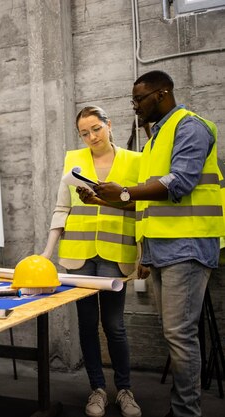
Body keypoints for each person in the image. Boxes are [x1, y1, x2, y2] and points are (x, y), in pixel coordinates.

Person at [93, 70, 224, 417]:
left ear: (162, 94)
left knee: (180, 337)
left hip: (189, 246)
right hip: (164, 250)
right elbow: (145, 201)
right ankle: (182, 408)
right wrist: (101, 200)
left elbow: (178, 182)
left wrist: (121, 191)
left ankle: (186, 412)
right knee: (175, 336)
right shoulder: (154, 141)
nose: (135, 106)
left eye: (139, 98)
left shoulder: (190, 126)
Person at [41, 105, 143, 417]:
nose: (91, 137)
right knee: (87, 324)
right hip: (79, 256)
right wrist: (47, 253)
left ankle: (124, 390)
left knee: (114, 325)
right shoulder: (73, 160)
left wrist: (145, 255)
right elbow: (62, 208)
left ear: (109, 125)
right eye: (84, 133)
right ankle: (97, 389)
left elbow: (142, 208)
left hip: (115, 254)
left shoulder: (134, 161)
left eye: (96, 129)